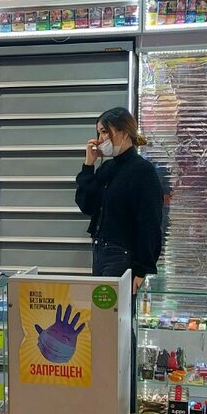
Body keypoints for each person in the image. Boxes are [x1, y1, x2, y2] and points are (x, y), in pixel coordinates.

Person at [75, 107, 164, 291]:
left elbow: (150, 222)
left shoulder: (143, 170)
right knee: (101, 306)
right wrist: (89, 165)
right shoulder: (107, 168)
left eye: (105, 132)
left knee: (115, 307)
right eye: (99, 133)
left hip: (123, 254)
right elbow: (86, 205)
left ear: (123, 134)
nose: (100, 139)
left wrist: (143, 269)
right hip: (100, 251)